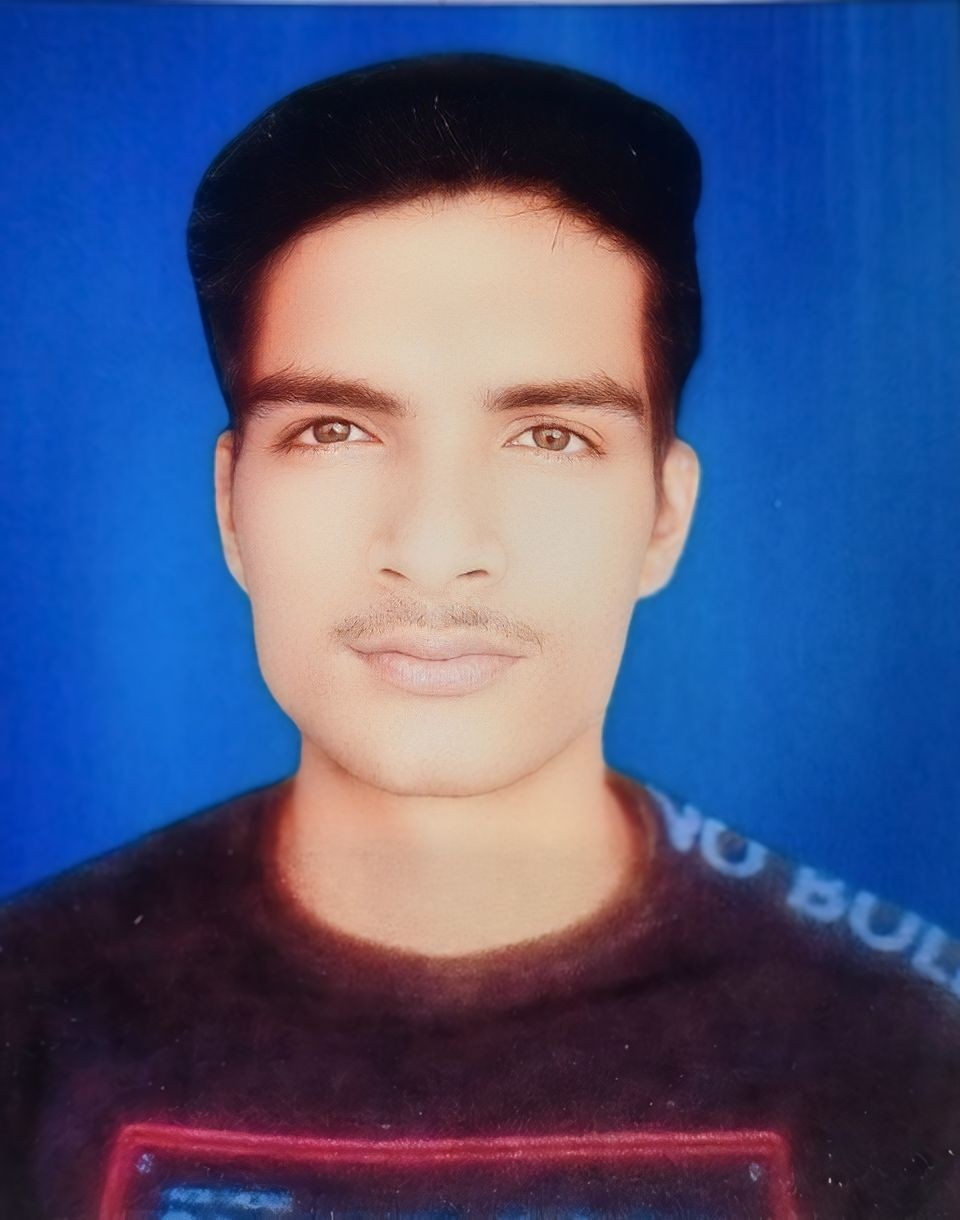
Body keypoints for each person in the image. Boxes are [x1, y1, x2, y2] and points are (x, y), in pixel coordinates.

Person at [1, 51, 958, 1220]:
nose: (437, 544)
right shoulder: (25, 1016)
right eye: (336, 428)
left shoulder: (912, 1055)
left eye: (550, 436)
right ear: (230, 506)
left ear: (664, 516)